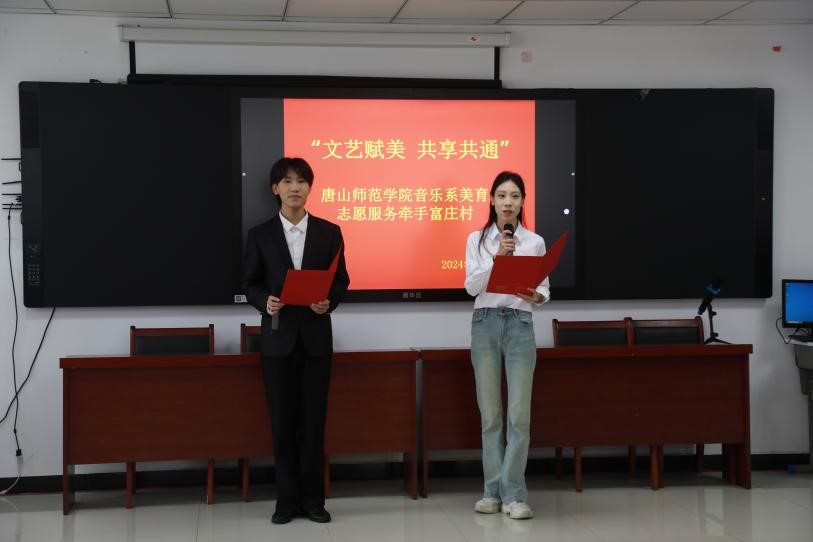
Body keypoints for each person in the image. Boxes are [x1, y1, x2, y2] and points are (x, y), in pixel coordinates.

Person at [241, 157, 350, 524]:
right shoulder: (260, 235)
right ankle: (286, 500)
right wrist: (265, 301)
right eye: (287, 181)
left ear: (310, 188)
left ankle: (314, 500)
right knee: (283, 424)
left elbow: (341, 280)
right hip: (277, 340)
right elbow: (249, 283)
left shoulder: (329, 232)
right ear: (275, 189)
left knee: (314, 423)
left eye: (301, 181)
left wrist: (328, 301)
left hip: (316, 340)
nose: (295, 188)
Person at [464, 171, 549, 520]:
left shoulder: (535, 242)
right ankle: (491, 492)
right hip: (485, 323)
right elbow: (471, 287)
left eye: (514, 196)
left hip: (520, 324)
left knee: (518, 415)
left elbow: (543, 290)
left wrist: (535, 295)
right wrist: (498, 256)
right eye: (501, 196)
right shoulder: (477, 239)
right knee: (491, 415)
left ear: (523, 201)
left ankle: (514, 494)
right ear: (491, 200)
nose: (508, 203)